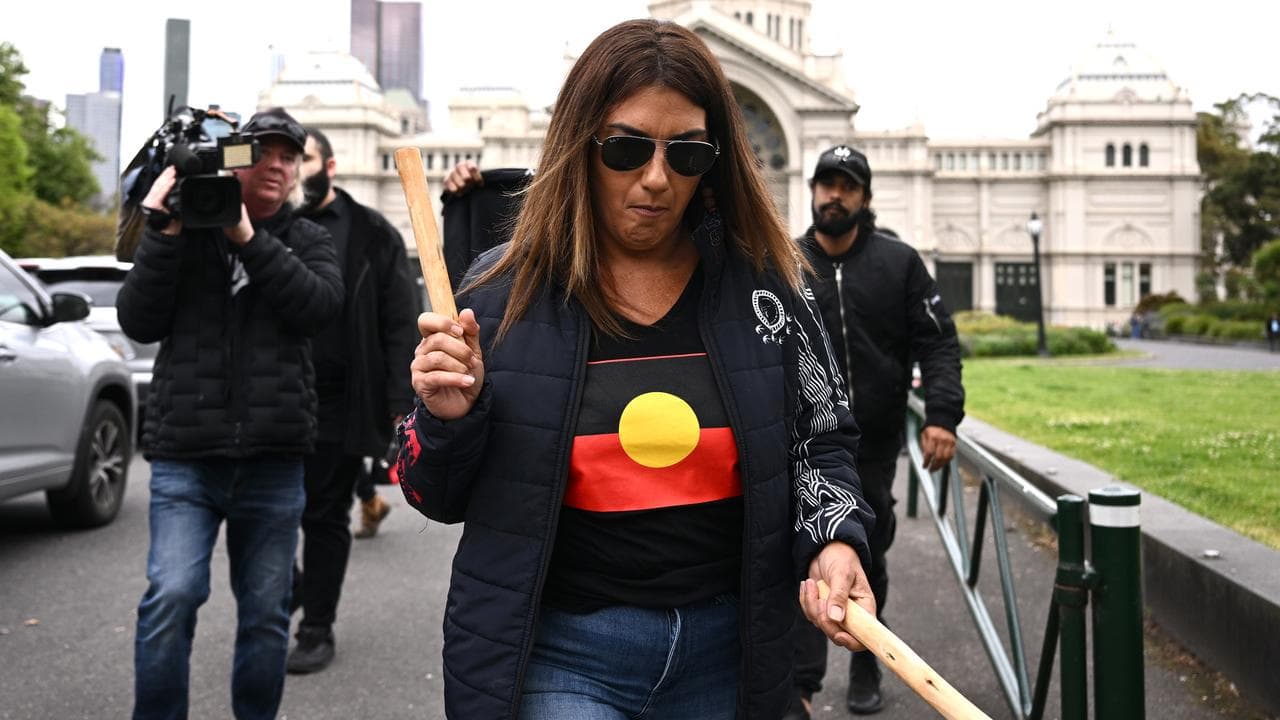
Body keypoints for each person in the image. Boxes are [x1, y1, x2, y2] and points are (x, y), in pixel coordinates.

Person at [397, 19, 877, 720]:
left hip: (729, 656)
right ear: (579, 147)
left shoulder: (769, 293)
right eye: (625, 148)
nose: (656, 178)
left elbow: (820, 437)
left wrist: (833, 538)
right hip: (562, 658)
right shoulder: (498, 297)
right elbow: (430, 491)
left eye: (685, 154)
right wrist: (448, 418)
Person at [118, 107, 343, 719]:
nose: (276, 165)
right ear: (234, 161)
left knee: (267, 615)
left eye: (288, 156)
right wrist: (162, 228)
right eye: (262, 153)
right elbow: (138, 320)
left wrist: (247, 236)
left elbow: (318, 307)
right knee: (171, 595)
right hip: (186, 457)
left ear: (298, 170)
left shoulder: (309, 238)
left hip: (274, 459)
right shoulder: (181, 234)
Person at [792, 145, 965, 716]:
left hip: (873, 441)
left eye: (847, 186)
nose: (833, 195)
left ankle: (868, 656)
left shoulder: (900, 263)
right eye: (825, 184)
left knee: (868, 549)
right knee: (798, 554)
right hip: (795, 444)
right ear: (813, 190)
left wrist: (942, 415)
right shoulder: (784, 263)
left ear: (864, 198)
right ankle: (802, 682)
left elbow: (937, 340)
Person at [285, 127, 420, 674]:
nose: (293, 169)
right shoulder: (255, 222)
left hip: (339, 400)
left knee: (322, 514)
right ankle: (288, 590)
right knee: (261, 510)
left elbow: (397, 319)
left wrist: (397, 402)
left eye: (304, 158)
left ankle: (316, 625)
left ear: (331, 165)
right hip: (268, 397)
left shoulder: (371, 232)